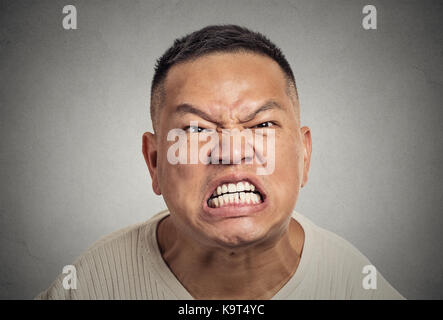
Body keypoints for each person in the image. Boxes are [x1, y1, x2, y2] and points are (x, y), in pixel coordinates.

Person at [36, 25, 403, 300]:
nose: (231, 150)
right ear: (154, 162)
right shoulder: (94, 284)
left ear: (303, 154)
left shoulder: (354, 284)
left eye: (261, 124)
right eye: (196, 129)